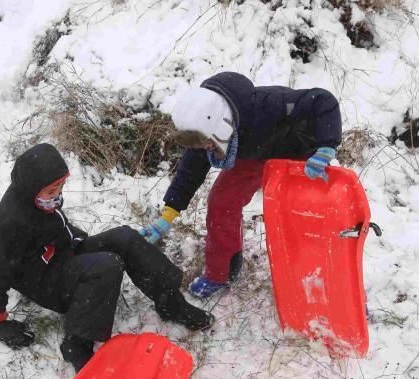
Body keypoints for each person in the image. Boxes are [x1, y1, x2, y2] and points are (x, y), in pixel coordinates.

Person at [0, 143, 213, 371]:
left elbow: (58, 226)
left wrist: (77, 240)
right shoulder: (6, 225)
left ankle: (171, 303)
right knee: (106, 266)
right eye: (52, 190)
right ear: (31, 189)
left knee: (125, 238)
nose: (58, 194)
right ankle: (77, 342)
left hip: (62, 255)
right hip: (44, 282)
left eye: (61, 186)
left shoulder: (42, 198)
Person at [141, 71, 342, 298]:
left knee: (300, 216)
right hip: (255, 154)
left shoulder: (268, 105)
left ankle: (330, 279)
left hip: (297, 153)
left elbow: (323, 100)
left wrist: (326, 146)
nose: (205, 148)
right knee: (221, 201)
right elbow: (189, 173)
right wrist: (167, 216)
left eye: (208, 144)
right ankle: (222, 272)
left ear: (222, 126)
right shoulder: (205, 134)